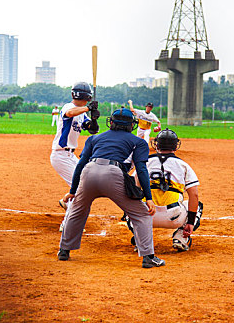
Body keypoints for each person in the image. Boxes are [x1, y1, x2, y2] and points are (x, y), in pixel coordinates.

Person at [57, 108, 166, 269]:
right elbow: (142, 170)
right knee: (142, 214)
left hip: (89, 172)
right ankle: (148, 257)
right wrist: (148, 198)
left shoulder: (94, 138)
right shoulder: (138, 142)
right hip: (113, 174)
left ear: (111, 122)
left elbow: (80, 164)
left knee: (77, 210)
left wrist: (73, 191)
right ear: (131, 125)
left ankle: (64, 251)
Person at [126, 128, 203, 252]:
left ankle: (140, 237)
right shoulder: (183, 165)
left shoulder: (145, 162)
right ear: (175, 146)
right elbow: (194, 194)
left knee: (130, 204)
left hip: (147, 215)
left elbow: (132, 190)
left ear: (156, 144)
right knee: (197, 205)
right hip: (174, 217)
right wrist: (190, 222)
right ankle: (180, 238)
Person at [50, 82, 100, 231]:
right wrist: (88, 108)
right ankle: (68, 225)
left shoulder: (82, 113)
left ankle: (67, 203)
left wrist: (94, 119)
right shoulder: (68, 107)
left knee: (86, 181)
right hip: (60, 154)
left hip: (70, 155)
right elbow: (70, 114)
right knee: (79, 187)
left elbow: (92, 130)